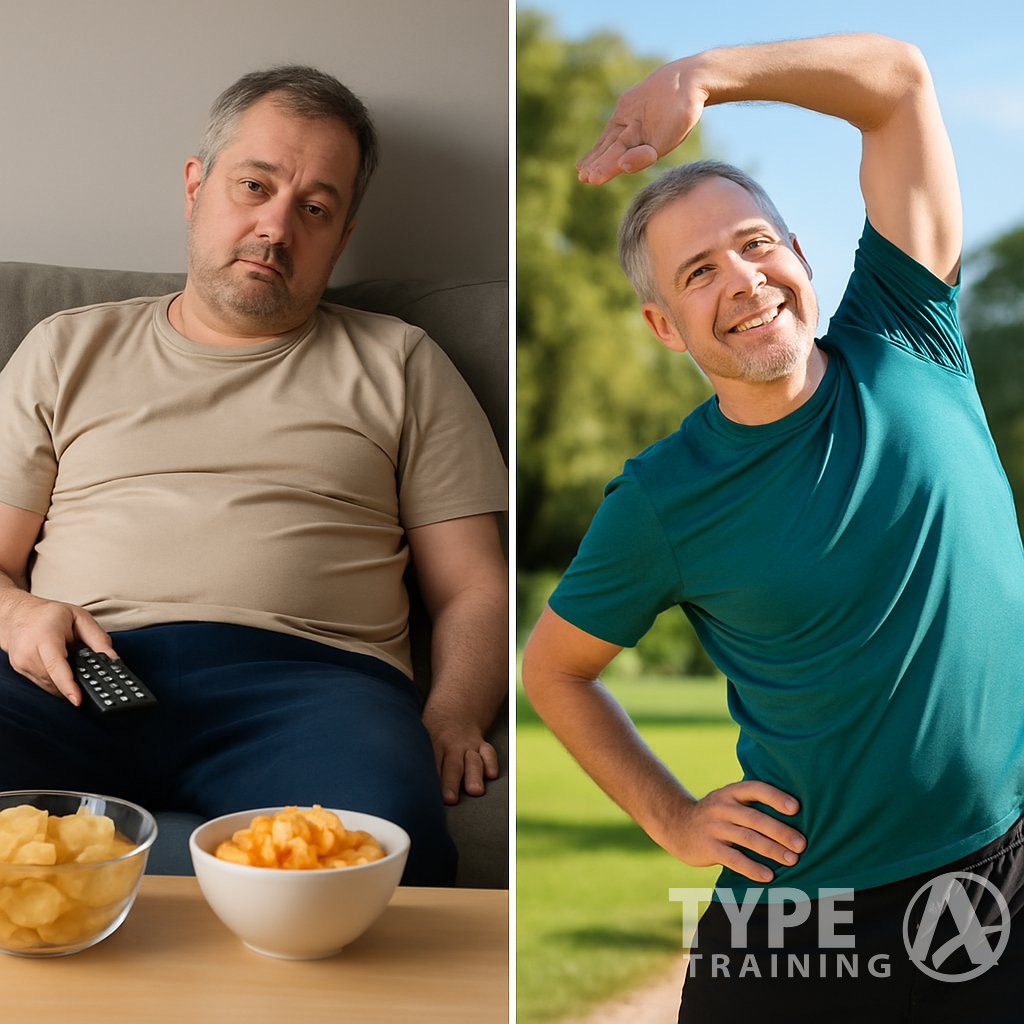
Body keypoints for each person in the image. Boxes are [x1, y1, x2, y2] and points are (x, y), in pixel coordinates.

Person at [522, 32, 1024, 1019]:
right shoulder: (662, 498)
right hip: (805, 929)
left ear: (799, 255)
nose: (744, 280)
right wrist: (671, 816)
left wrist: (705, 76)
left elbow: (898, 83)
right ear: (664, 324)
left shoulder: (906, 331)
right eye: (698, 271)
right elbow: (553, 669)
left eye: (755, 244)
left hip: (999, 876)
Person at [0, 65, 508, 885]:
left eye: (315, 209)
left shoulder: (403, 361)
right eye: (254, 185)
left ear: (342, 236)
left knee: (386, 852)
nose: (276, 227)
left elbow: (475, 587)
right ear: (197, 187)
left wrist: (452, 717)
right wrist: (17, 613)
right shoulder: (67, 347)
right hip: (75, 672)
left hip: (311, 690)